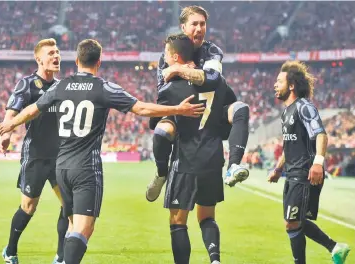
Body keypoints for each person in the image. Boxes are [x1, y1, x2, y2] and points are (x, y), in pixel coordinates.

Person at [0, 39, 204, 264]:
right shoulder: (103, 87)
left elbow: (31, 109)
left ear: (76, 60)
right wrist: (178, 109)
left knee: (71, 221)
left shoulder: (61, 86)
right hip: (84, 168)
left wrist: (10, 125)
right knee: (83, 228)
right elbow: (141, 108)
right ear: (99, 62)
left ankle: (60, 257)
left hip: (61, 165)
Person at [146, 5, 250, 202]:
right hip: (180, 107)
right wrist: (188, 72)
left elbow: (212, 79)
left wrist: (178, 69)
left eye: (203, 24)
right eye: (194, 24)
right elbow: (164, 92)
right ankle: (161, 173)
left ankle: (233, 166)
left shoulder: (211, 51)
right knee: (161, 130)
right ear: (183, 27)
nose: (199, 28)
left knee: (241, 109)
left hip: (212, 108)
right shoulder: (168, 52)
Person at [268, 61, 350, 264]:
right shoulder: (286, 112)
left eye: (279, 81)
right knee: (296, 221)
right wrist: (278, 169)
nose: (275, 85)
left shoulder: (304, 107)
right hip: (292, 174)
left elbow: (321, 135)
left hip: (305, 173)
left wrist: (317, 163)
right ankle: (335, 247)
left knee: (292, 222)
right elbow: (289, 145)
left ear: (292, 85)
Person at [158, 33, 230, 264]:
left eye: (167, 55)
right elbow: (231, 114)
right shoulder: (220, 84)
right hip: (213, 157)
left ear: (175, 57)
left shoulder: (171, 88)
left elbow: (159, 124)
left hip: (186, 160)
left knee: (178, 221)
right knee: (207, 216)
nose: (165, 59)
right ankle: (215, 260)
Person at [0, 38, 68, 264]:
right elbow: (11, 111)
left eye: (57, 52)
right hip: (35, 156)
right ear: (39, 59)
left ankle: (61, 256)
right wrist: (6, 134)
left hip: (60, 156)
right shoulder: (27, 84)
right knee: (28, 207)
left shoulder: (62, 86)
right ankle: (10, 250)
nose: (56, 56)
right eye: (51, 53)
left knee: (69, 205)